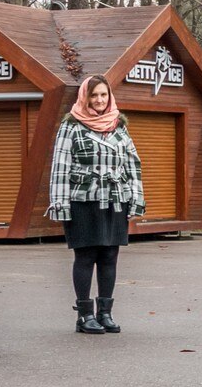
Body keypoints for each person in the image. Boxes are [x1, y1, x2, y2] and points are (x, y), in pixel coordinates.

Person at [45, 75, 144, 334]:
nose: (99, 100)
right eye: (94, 95)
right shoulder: (71, 125)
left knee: (110, 255)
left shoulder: (119, 125)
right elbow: (60, 167)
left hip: (115, 199)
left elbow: (132, 164)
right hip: (83, 200)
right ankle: (85, 315)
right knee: (86, 255)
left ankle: (105, 313)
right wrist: (60, 204)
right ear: (85, 97)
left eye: (103, 94)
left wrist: (136, 198)